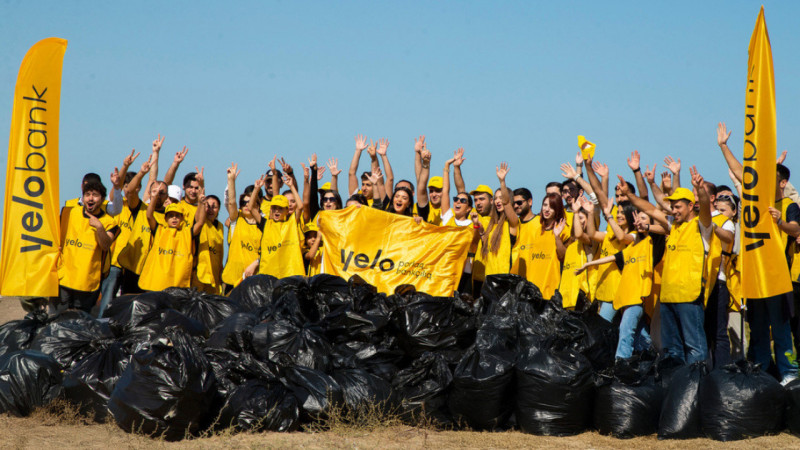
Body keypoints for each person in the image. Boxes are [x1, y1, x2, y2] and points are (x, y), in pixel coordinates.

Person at [717, 122, 800, 383]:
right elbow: (740, 173)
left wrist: (780, 223)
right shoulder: (756, 200)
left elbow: (795, 227)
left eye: (771, 177)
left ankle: (788, 375)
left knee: (782, 328)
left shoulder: (787, 204)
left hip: (778, 278)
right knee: (759, 327)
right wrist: (723, 146)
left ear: (783, 181)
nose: (763, 180)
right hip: (755, 276)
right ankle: (763, 373)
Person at [624, 167, 712, 364]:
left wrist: (701, 190)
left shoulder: (701, 226)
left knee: (694, 346)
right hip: (667, 297)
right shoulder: (673, 226)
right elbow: (650, 209)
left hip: (689, 296)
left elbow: (705, 207)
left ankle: (696, 384)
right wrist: (629, 194)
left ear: (690, 206)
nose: (674, 210)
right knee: (672, 348)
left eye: (678, 206)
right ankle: (677, 385)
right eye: (672, 207)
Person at [576, 179, 666, 359]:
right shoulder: (634, 245)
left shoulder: (647, 241)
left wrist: (609, 215)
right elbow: (612, 255)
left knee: (624, 331)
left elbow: (657, 215)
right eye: (638, 218)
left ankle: (620, 363)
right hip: (624, 295)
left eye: (643, 218)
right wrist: (588, 264)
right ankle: (650, 358)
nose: (639, 221)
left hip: (637, 297)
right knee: (639, 335)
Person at [55, 178, 119, 316]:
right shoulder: (69, 213)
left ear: (102, 200)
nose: (91, 198)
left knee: (81, 323)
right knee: (55, 318)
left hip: (87, 282)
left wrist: (99, 227)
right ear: (83, 197)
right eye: (87, 194)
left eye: (95, 195)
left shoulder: (109, 222)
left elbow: (106, 245)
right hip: (64, 278)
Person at [139, 186, 206, 291]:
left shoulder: (187, 233)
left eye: (177, 216)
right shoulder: (159, 230)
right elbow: (149, 216)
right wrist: (154, 197)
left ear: (182, 218)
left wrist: (201, 203)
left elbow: (200, 223)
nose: (174, 218)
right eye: (171, 215)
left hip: (176, 285)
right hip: (156, 283)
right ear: (165, 218)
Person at [245, 174, 305, 279]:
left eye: (281, 208)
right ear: (271, 210)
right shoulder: (265, 224)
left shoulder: (291, 223)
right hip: (269, 275)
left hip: (289, 274)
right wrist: (256, 189)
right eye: (274, 208)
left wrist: (291, 186)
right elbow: (250, 208)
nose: (277, 211)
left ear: (287, 210)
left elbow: (300, 206)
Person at [472, 163, 519, 293]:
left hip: (505, 282)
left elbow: (507, 203)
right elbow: (483, 243)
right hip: (488, 282)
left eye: (501, 197)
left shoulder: (512, 223)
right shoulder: (492, 226)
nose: (498, 201)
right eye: (496, 198)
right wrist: (477, 225)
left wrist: (502, 182)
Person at [513, 191, 567, 299]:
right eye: (545, 205)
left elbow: (563, 257)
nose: (547, 209)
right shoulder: (536, 229)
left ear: (558, 209)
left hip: (550, 290)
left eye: (551, 207)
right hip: (531, 288)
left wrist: (557, 236)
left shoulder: (563, 230)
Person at [221, 163, 264, 292]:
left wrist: (255, 263)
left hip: (253, 278)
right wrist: (231, 180)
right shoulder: (236, 219)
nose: (246, 205)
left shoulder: (263, 223)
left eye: (249, 202)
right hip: (232, 279)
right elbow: (231, 202)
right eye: (243, 202)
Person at [192, 194, 224, 294]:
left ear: (218, 209)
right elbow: (198, 219)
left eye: (214, 207)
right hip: (200, 273)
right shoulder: (202, 222)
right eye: (207, 206)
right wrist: (201, 202)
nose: (210, 210)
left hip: (214, 275)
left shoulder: (220, 226)